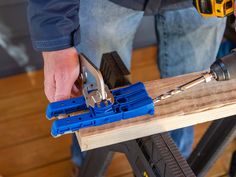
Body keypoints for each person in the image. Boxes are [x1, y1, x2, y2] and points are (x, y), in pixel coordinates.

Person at [27, 0, 226, 172]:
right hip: (108, 4)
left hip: (199, 7)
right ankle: (87, 165)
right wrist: (57, 39)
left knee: (188, 99)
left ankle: (176, 160)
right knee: (94, 100)